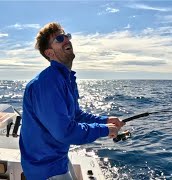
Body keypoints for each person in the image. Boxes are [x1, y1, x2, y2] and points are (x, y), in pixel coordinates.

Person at [19, 22, 125, 180]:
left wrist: (106, 120)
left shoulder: (64, 78)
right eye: (59, 39)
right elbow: (65, 132)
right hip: (45, 169)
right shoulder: (47, 83)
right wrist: (104, 129)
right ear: (50, 53)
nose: (67, 40)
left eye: (67, 36)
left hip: (57, 158)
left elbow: (75, 114)